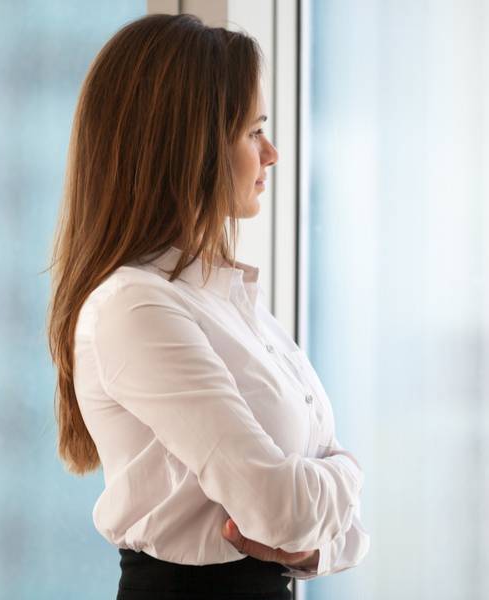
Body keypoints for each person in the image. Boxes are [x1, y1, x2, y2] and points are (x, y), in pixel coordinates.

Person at [44, 13, 370, 600]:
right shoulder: (134, 308)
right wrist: (349, 475)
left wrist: (315, 528)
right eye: (252, 132)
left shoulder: (226, 300)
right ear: (190, 147)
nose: (270, 153)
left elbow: (319, 534)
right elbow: (282, 510)